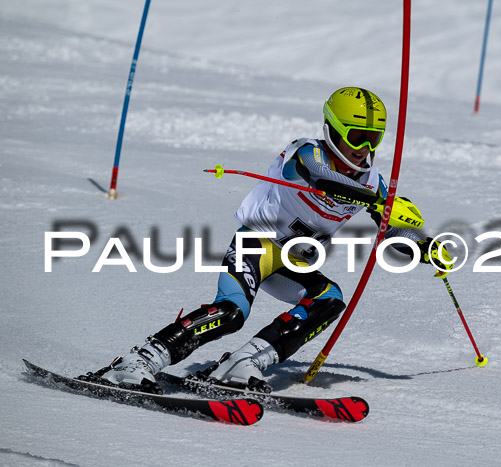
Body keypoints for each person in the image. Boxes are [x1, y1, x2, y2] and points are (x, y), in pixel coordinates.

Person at [91, 87, 452, 393]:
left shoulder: (374, 183)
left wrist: (424, 246)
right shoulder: (305, 152)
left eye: (373, 138)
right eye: (356, 136)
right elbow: (324, 180)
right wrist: (378, 201)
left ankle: (241, 363)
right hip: (256, 246)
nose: (363, 147)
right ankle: (138, 361)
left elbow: (392, 233)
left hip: (293, 262)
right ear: (333, 129)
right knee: (232, 312)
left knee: (329, 300)